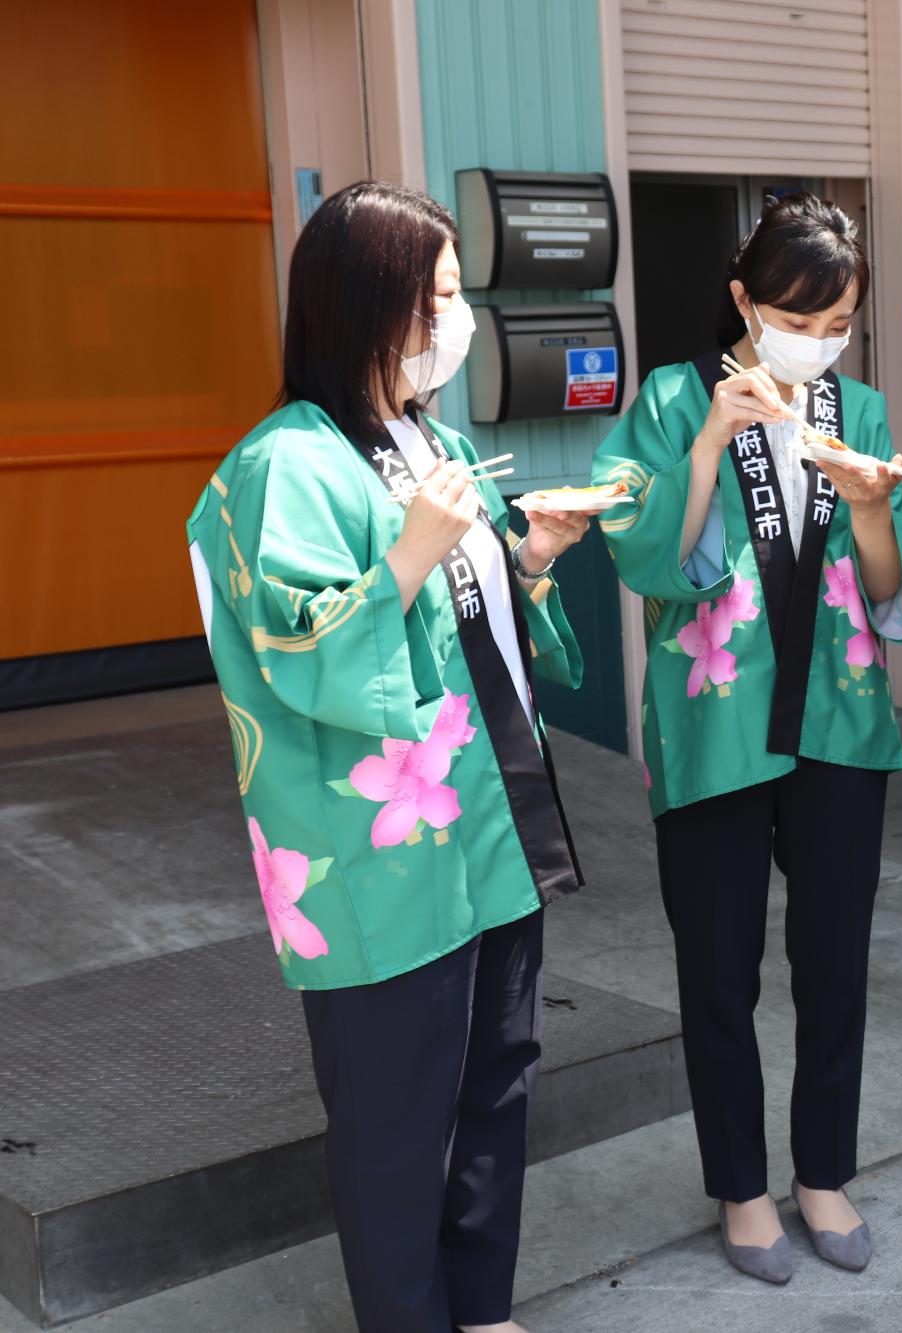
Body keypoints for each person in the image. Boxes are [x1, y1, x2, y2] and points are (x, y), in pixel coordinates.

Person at [185, 180, 591, 1333]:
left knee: (495, 1084)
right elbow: (292, 650)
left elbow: (467, 626)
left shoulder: (430, 435)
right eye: (440, 298)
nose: (455, 323)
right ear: (370, 305)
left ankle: (483, 1307)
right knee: (394, 1126)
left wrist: (530, 557)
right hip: (375, 859)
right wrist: (414, 552)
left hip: (486, 825)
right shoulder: (283, 464)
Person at [591, 194, 902, 1285]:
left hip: (839, 720)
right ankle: (742, 1188)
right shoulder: (666, 399)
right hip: (717, 728)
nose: (818, 337)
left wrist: (874, 511)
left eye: (838, 319)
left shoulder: (861, 409)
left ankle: (822, 1172)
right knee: (718, 968)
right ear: (744, 299)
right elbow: (643, 552)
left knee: (834, 962)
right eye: (798, 312)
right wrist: (706, 441)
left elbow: (893, 590)